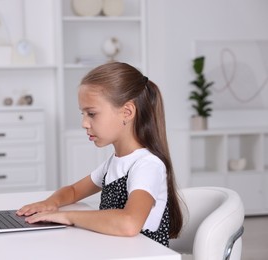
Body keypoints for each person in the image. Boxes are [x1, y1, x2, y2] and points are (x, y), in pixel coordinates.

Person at [17, 61, 183, 247]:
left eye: (92, 114)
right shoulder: (114, 163)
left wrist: (67, 216)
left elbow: (129, 224)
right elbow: (73, 191)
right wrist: (50, 203)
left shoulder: (147, 165)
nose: (84, 123)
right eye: (83, 114)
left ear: (127, 112)